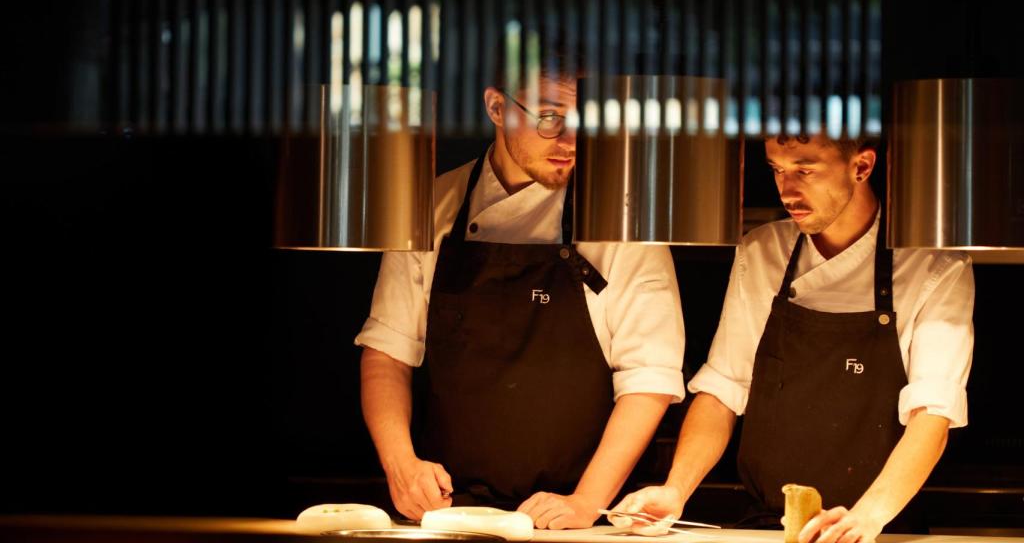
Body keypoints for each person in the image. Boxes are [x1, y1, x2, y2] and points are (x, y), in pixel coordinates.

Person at [355, 67, 686, 529]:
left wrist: (585, 501)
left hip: (578, 516)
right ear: (497, 107)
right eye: (550, 118)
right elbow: (387, 352)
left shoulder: (622, 218)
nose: (570, 141)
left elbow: (649, 378)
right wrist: (402, 466)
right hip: (449, 513)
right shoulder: (432, 206)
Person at [612, 134, 974, 543]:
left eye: (805, 170)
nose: (787, 190)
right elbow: (723, 389)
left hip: (879, 528)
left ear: (862, 166)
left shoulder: (934, 267)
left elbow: (932, 415)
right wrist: (676, 489)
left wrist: (867, 517)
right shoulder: (763, 251)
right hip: (769, 525)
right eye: (777, 170)